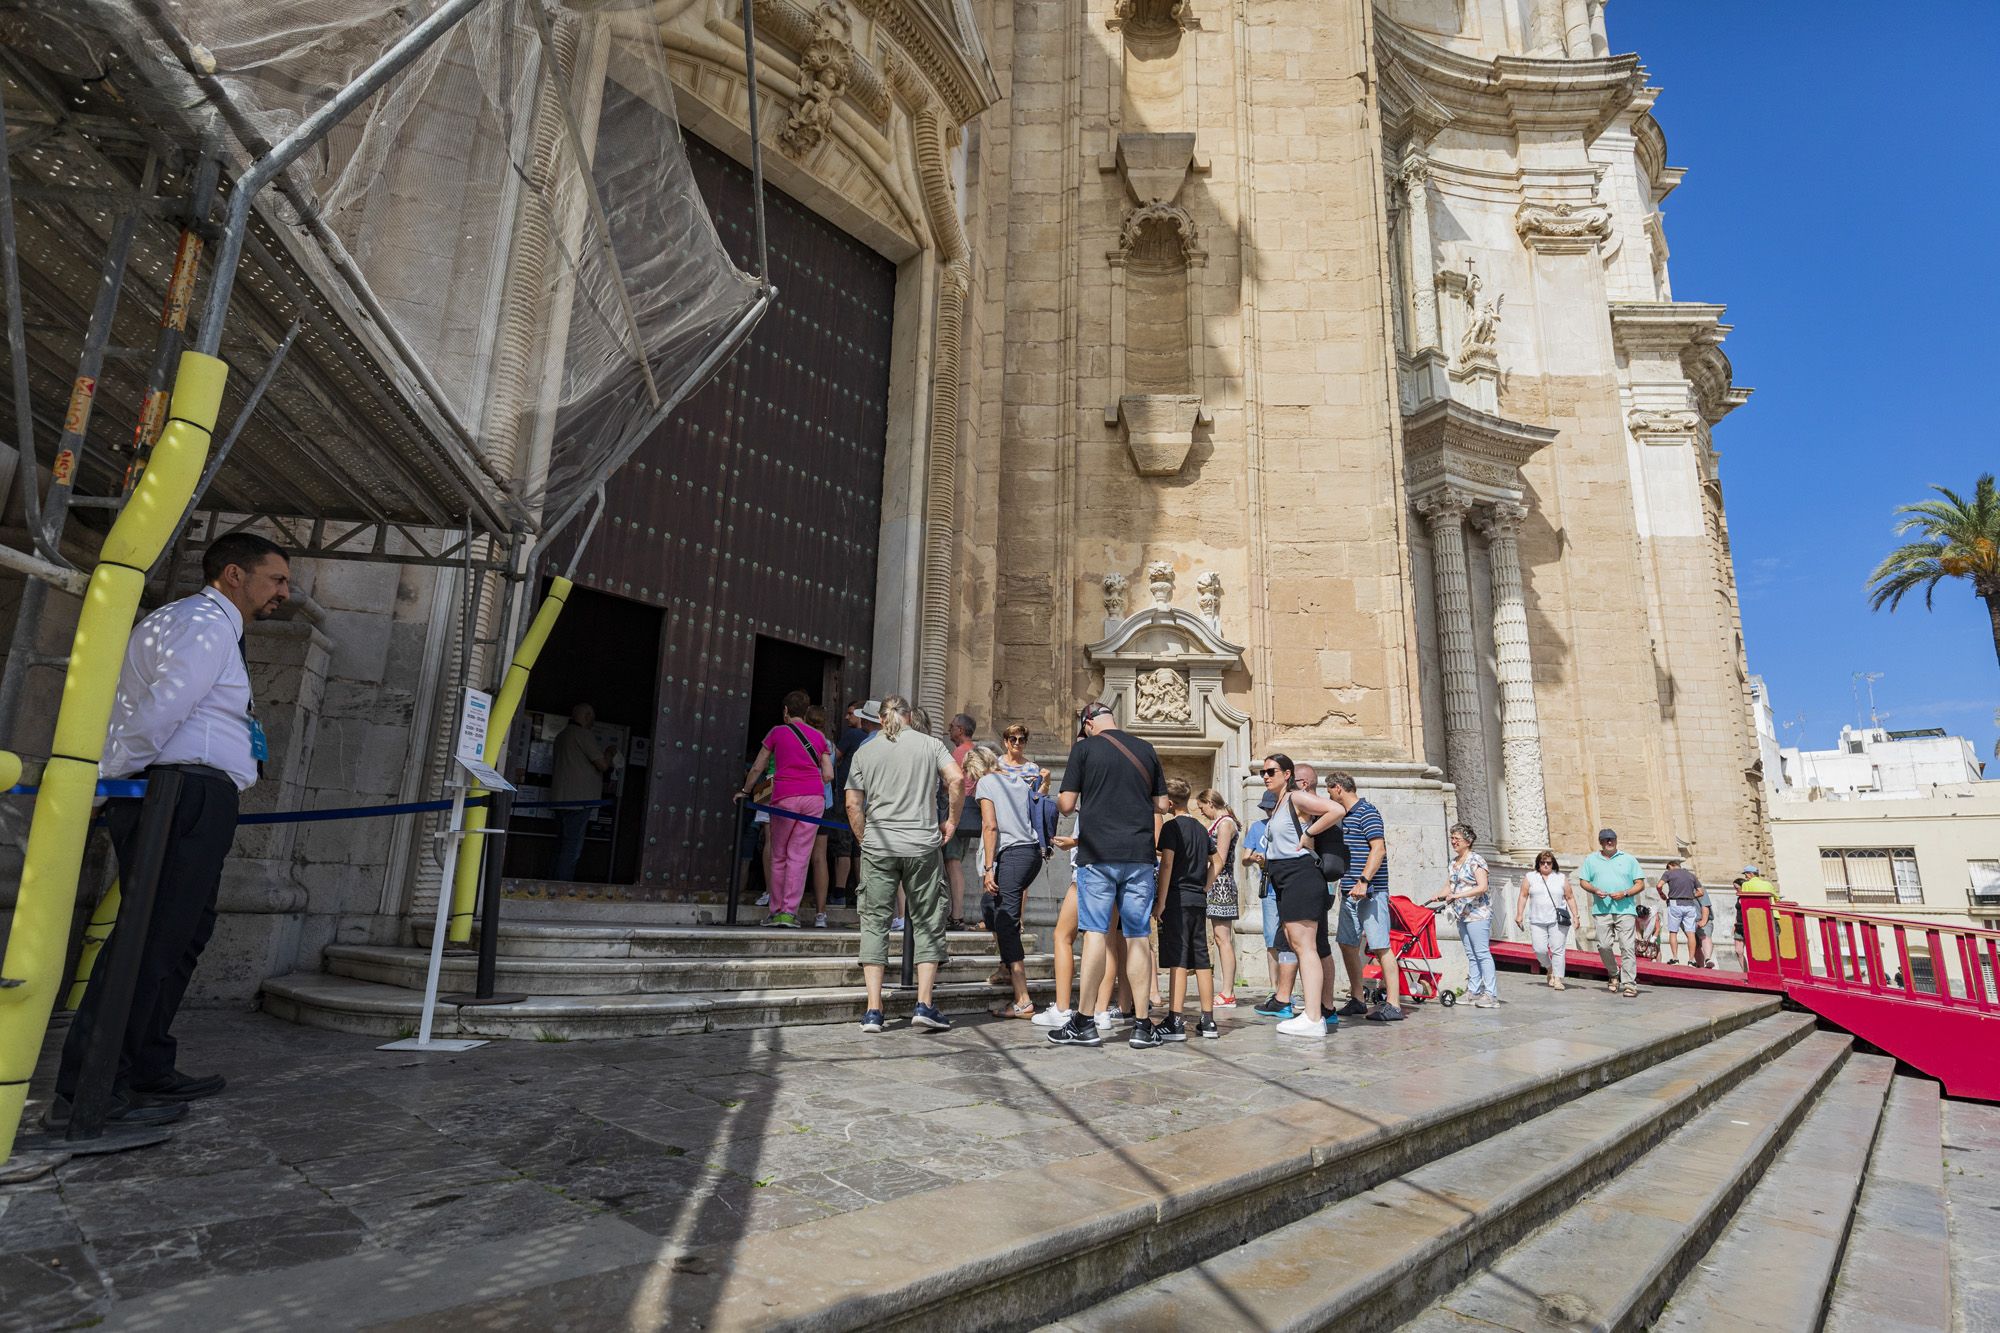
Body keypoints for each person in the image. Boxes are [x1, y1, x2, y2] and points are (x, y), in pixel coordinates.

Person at [50, 533, 291, 1128]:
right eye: (276, 579)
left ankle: (145, 1064)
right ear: (234, 575)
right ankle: (91, 1088)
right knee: (149, 936)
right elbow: (157, 711)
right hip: (177, 794)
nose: (285, 592)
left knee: (181, 934)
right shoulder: (201, 625)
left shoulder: (211, 627)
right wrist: (108, 783)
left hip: (193, 796)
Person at [1047, 702, 1168, 1048]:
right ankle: (1143, 1025)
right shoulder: (1145, 749)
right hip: (1139, 856)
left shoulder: (1084, 749)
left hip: (1098, 855)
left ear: (1087, 724)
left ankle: (1084, 1022)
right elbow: (1161, 805)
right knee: (1137, 936)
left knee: (1096, 934)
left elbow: (1067, 804)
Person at [844, 695, 962, 1032]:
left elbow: (853, 802)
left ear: (880, 719)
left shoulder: (865, 751)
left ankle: (873, 1010)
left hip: (879, 845)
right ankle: (924, 1003)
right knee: (928, 920)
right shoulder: (929, 744)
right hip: (922, 845)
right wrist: (951, 820)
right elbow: (955, 779)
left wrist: (864, 837)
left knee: (875, 922)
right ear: (909, 716)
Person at [733, 690, 834, 928]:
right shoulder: (819, 737)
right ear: (807, 712)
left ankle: (777, 911)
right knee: (799, 856)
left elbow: (758, 767)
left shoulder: (777, 732)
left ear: (786, 711)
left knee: (779, 854)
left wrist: (746, 791)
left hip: (785, 797)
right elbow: (828, 774)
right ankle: (790, 913)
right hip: (814, 800)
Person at [1260, 754, 1344, 1037]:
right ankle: (1311, 1014)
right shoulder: (1280, 803)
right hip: (1284, 877)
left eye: (1271, 771)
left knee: (1306, 947)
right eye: (1263, 772)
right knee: (1298, 944)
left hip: (1300, 875)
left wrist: (1310, 832)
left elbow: (1336, 810)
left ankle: (1312, 1016)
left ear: (1287, 774)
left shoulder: (1296, 798)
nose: (1265, 776)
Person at [1312, 771, 1401, 1022]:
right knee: (1346, 943)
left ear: (1338, 788)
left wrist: (1364, 881)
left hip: (1370, 891)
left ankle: (1393, 1003)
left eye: (1330, 792)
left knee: (1381, 946)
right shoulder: (1344, 816)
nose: (1329, 797)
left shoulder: (1367, 812)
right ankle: (1358, 998)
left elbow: (1379, 849)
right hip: (1349, 890)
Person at [969, 745, 1041, 1018]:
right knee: (990, 906)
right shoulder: (1015, 779)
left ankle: (1023, 999)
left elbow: (990, 826)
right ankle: (1004, 966)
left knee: (1008, 923)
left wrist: (989, 868)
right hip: (1030, 853)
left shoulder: (986, 783)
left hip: (1013, 854)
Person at [1145, 779, 1219, 1044]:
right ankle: (1208, 1020)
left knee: (1178, 957)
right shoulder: (1201, 828)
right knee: (1201, 957)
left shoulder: (1170, 827)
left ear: (1171, 802)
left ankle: (1175, 1019)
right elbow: (1217, 860)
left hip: (1176, 898)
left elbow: (1166, 866)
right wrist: (1205, 886)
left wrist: (1160, 901)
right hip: (1198, 899)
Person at [1243, 790, 1300, 1015]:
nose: (1268, 811)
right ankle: (1273, 987)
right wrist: (1255, 858)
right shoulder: (1258, 827)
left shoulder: (1289, 824)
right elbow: (1245, 858)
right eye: (1266, 808)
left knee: (1292, 936)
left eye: (1271, 807)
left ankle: (1289, 989)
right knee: (1271, 938)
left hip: (1289, 885)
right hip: (1269, 887)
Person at [1434, 823, 1496, 1008]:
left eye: (1457, 839)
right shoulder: (1454, 863)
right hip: (1461, 914)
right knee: (1471, 953)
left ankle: (1491, 994)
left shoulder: (1476, 860)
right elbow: (1450, 885)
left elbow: (1482, 886)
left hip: (1478, 913)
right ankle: (1474, 991)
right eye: (1452, 838)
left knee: (1482, 952)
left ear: (1467, 841)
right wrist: (1439, 894)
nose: (1453, 842)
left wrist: (1458, 895)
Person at [549, 703, 612, 881]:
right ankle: (561, 887)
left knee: (560, 845)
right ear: (587, 716)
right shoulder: (583, 735)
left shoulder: (562, 735)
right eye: (592, 717)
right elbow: (602, 765)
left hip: (560, 798)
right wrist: (609, 752)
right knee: (571, 849)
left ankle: (551, 882)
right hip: (578, 800)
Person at [1580, 828, 1645, 997]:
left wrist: (1625, 893)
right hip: (1602, 909)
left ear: (1616, 840)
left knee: (1627, 946)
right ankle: (1613, 973)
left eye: (1612, 839)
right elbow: (1583, 881)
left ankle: (1630, 983)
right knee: (1603, 945)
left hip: (1625, 909)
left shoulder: (1629, 859)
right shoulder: (1591, 860)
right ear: (1600, 842)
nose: (1609, 842)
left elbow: (1640, 883)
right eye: (1606, 840)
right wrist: (1594, 890)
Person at [1195, 789, 1240, 1008]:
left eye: (1202, 807)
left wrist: (1206, 886)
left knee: (1223, 938)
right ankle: (1227, 990)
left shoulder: (1224, 824)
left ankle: (1228, 991)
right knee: (1220, 938)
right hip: (1217, 882)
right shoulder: (1222, 822)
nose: (1203, 812)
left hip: (1220, 883)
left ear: (1210, 802)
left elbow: (1219, 859)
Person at [1514, 850, 1578, 989]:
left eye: (1548, 863)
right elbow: (1523, 895)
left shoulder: (1561, 877)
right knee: (1539, 949)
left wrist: (1576, 916)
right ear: (1538, 864)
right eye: (1542, 862)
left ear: (1553, 864)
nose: (1545, 865)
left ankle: (1558, 978)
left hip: (1557, 920)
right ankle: (1549, 967)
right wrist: (1519, 914)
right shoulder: (1530, 877)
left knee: (1558, 949)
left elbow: (1570, 897)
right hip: (1537, 919)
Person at [943, 712, 981, 929]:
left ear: (961, 730)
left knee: (952, 861)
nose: (949, 728)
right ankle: (956, 913)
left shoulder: (959, 752)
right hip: (970, 812)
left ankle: (956, 915)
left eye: (952, 725)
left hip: (957, 810)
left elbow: (952, 782)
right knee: (956, 860)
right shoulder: (975, 750)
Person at [805, 704, 837, 927]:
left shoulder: (803, 741)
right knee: (819, 857)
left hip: (803, 800)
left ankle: (786, 909)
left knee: (794, 854)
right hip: (825, 803)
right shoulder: (831, 746)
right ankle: (821, 914)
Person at [1658, 857, 1701, 965]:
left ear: (1671, 866)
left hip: (1675, 903)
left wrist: (1662, 894)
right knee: (1691, 933)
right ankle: (1691, 960)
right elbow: (1701, 892)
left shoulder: (1669, 873)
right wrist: (1691, 896)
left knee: (1673, 932)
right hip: (1690, 905)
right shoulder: (1691, 875)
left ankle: (1675, 958)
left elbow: (1659, 885)